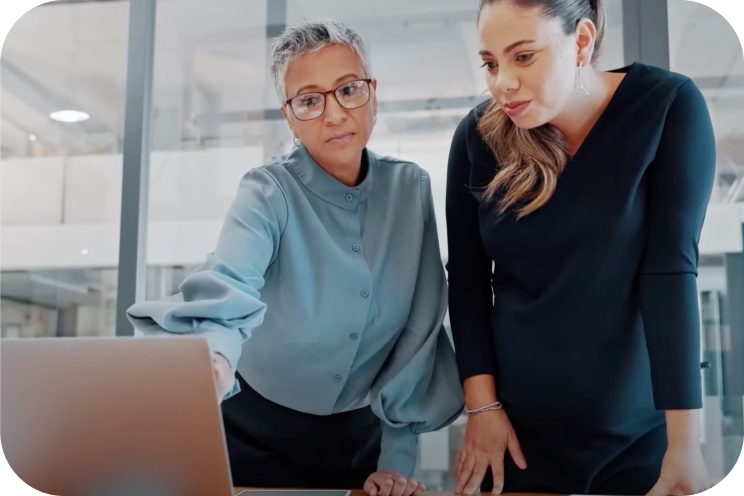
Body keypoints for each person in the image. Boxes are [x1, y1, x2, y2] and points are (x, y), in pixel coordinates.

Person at [127, 19, 463, 495]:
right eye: (309, 100)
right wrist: (215, 360)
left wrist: (397, 461)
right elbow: (231, 282)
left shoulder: (411, 189)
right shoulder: (267, 190)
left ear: (373, 93)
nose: (334, 114)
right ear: (289, 116)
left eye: (348, 89)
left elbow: (418, 334)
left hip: (357, 438)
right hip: (250, 430)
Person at [445, 1, 716, 495]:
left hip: (637, 437)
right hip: (516, 438)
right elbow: (466, 281)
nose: (502, 82)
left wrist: (685, 444)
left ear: (583, 41)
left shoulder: (667, 105)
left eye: (522, 56)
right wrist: (481, 408)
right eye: (490, 63)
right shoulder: (478, 136)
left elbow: (671, 272)